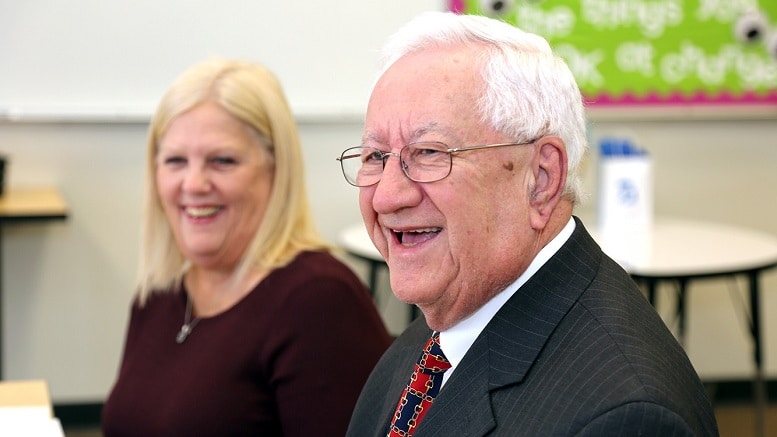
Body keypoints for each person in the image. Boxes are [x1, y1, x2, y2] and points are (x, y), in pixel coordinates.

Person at [339, 11, 719, 437]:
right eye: (376, 156)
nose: (388, 195)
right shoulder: (452, 318)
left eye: (429, 153)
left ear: (541, 179)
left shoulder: (626, 418)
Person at [101, 58, 393, 437]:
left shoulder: (318, 302)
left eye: (222, 161)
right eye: (175, 160)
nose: (193, 184)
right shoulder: (159, 294)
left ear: (275, 169)